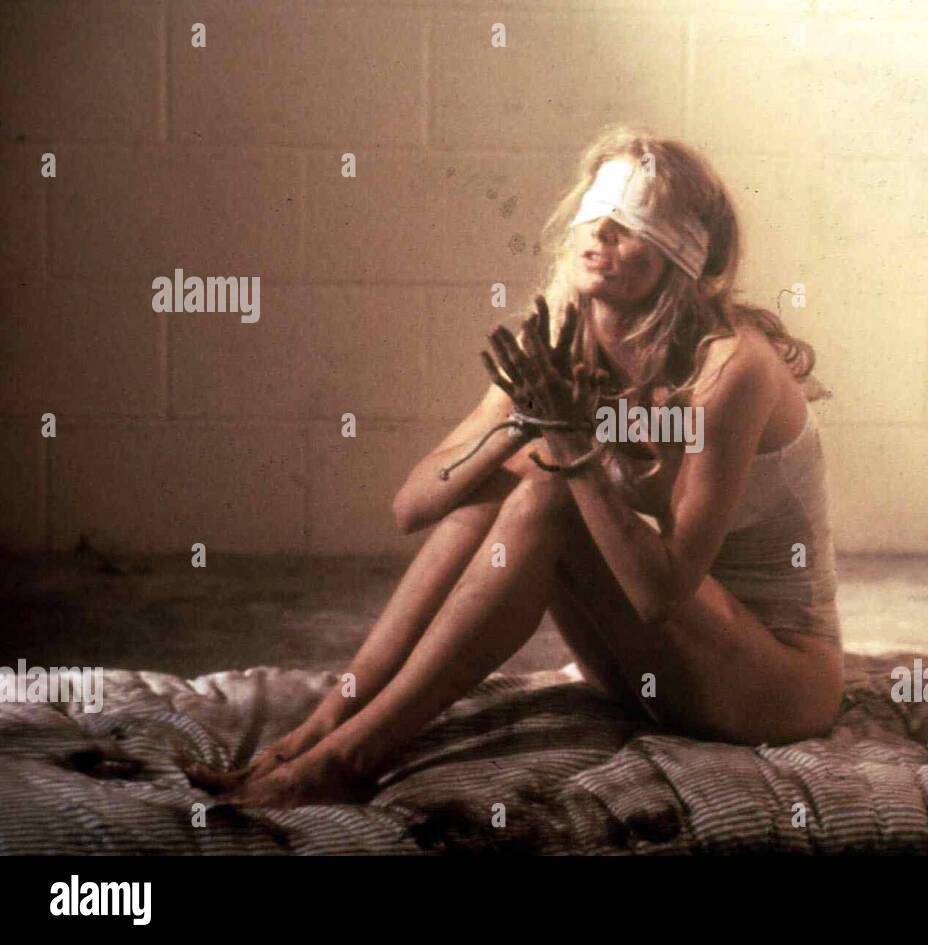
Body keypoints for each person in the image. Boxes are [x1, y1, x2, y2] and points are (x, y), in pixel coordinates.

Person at [185, 125, 843, 808]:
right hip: (647, 670)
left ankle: (350, 759)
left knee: (552, 492)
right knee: (517, 474)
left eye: (630, 222)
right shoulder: (559, 337)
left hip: (773, 685)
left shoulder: (729, 369)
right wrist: (521, 426)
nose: (601, 232)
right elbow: (412, 507)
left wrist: (569, 443)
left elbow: (662, 592)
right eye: (596, 211)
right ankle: (323, 730)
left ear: (685, 253)